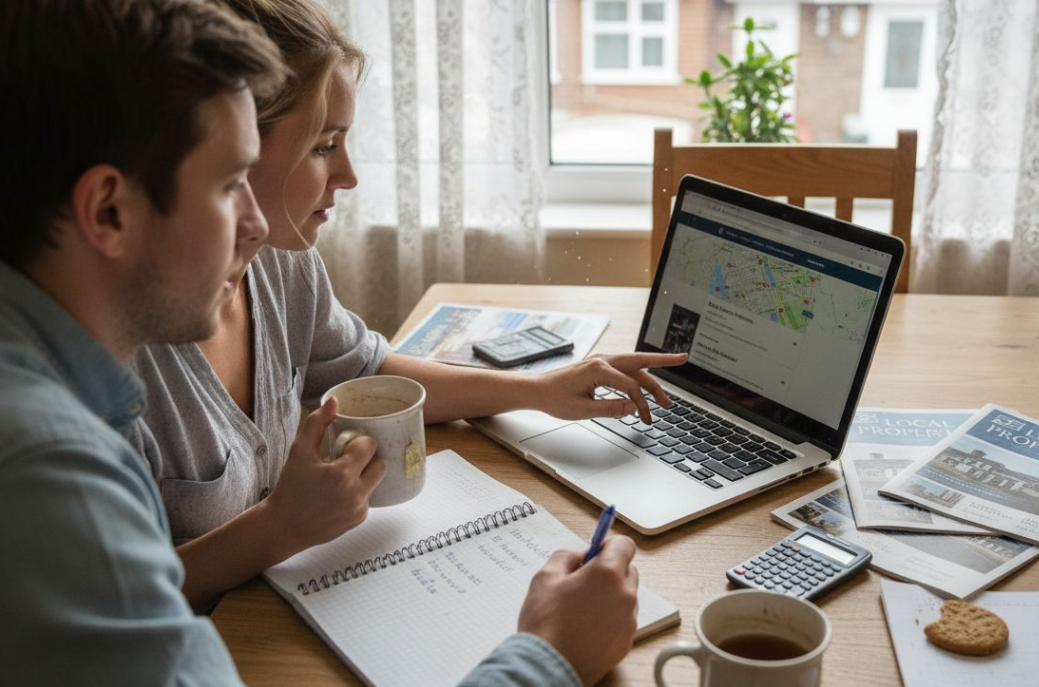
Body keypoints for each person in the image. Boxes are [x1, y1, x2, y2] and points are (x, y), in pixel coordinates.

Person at [0, 1, 639, 687]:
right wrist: (548, 661)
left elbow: (363, 369)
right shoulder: (48, 471)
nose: (252, 226)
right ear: (109, 211)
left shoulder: (63, 377)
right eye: (226, 183)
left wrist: (534, 389)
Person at [130, 0, 686, 613]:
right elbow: (106, 602)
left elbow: (370, 376)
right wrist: (281, 527)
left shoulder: (284, 266)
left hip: (292, 607)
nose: (349, 174)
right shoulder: (125, 349)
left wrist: (537, 389)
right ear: (234, 143)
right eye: (324, 145)